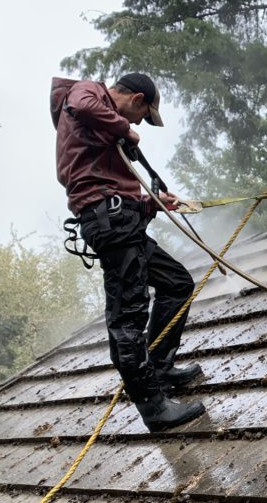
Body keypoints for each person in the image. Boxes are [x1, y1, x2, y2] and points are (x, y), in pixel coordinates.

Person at [50, 72, 206, 431]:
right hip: (111, 223)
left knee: (177, 283)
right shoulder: (87, 93)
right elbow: (79, 103)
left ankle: (161, 368)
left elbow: (112, 189)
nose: (139, 124)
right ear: (136, 99)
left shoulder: (100, 129)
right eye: (141, 116)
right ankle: (154, 408)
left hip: (122, 220)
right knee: (128, 317)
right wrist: (126, 129)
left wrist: (154, 203)